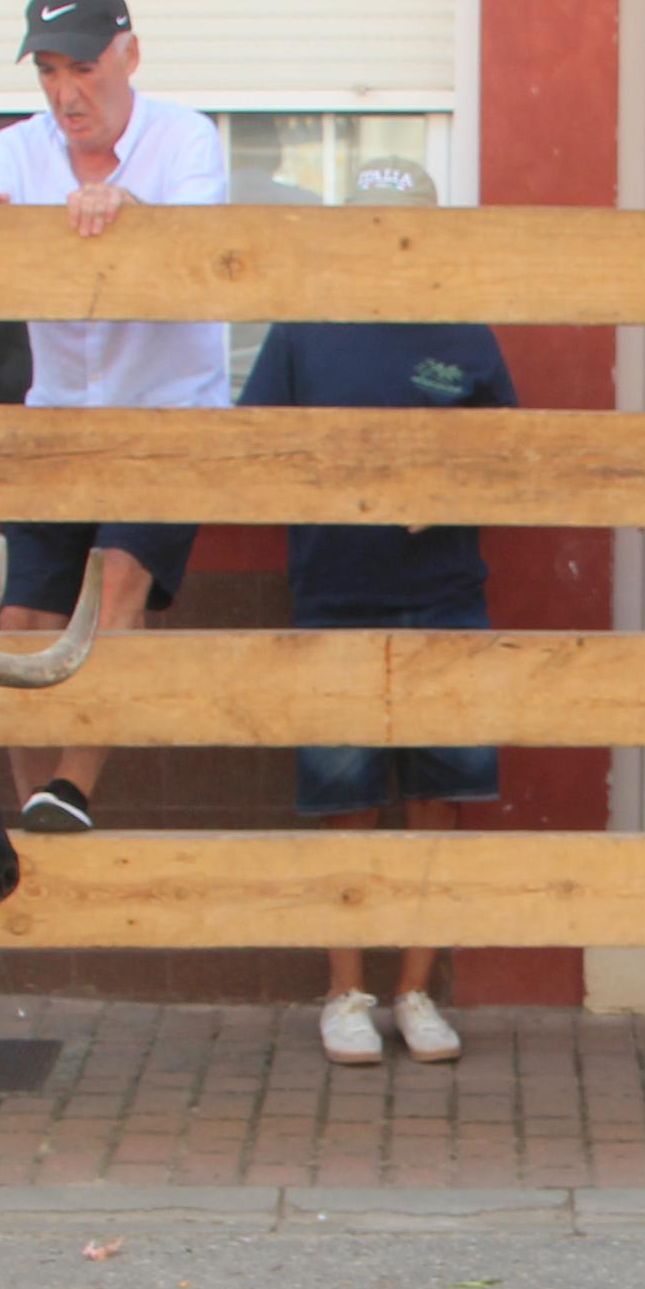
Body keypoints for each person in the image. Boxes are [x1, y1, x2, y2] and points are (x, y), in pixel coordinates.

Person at [234, 155, 516, 1065]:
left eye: (397, 222)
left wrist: (453, 487)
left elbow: (515, 454)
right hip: (334, 597)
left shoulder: (466, 332)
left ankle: (415, 993)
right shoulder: (303, 330)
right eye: (365, 221)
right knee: (345, 802)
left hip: (444, 598)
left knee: (439, 800)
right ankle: (346, 993)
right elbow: (254, 447)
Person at [0, 0, 229, 831]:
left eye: (84, 69)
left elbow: (202, 250)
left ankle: (72, 787)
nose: (67, 93)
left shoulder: (185, 139)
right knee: (22, 612)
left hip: (165, 416)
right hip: (58, 411)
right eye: (49, 72)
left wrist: (133, 211)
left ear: (129, 55)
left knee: (115, 581)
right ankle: (36, 801)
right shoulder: (14, 150)